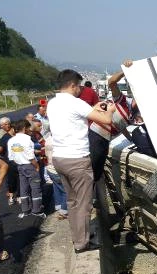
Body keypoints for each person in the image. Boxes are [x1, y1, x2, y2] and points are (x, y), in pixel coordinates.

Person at [47, 69, 114, 253]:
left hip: (60, 159)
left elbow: (76, 119)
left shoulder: (52, 104)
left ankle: (77, 237)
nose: (80, 90)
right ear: (72, 85)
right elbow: (106, 121)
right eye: (79, 86)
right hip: (77, 159)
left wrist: (95, 108)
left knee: (72, 202)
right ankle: (82, 243)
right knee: (84, 204)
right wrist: (111, 109)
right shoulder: (76, 103)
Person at [88, 60, 137, 183]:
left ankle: (91, 198)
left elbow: (121, 126)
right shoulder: (122, 101)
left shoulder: (134, 114)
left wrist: (131, 139)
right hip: (96, 135)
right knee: (91, 172)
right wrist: (125, 71)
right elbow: (111, 82)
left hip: (105, 139)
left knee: (97, 172)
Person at [7, 120, 45, 219]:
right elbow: (30, 156)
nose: (30, 130)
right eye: (28, 128)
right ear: (24, 129)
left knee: (23, 188)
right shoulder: (27, 139)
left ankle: (25, 210)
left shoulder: (11, 140)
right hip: (30, 165)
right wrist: (36, 166)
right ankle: (36, 210)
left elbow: (11, 157)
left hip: (19, 166)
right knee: (35, 188)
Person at [44, 134, 68, 219]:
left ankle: (58, 206)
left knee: (56, 188)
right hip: (57, 169)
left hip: (50, 168)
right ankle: (64, 211)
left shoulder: (48, 139)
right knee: (66, 190)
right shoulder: (60, 140)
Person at [0, 122, 19, 205]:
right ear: (12, 129)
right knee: (11, 180)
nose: (16, 131)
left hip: (17, 160)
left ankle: (19, 196)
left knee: (19, 179)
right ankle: (11, 196)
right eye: (16, 130)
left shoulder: (15, 137)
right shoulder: (5, 137)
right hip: (9, 162)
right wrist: (3, 157)